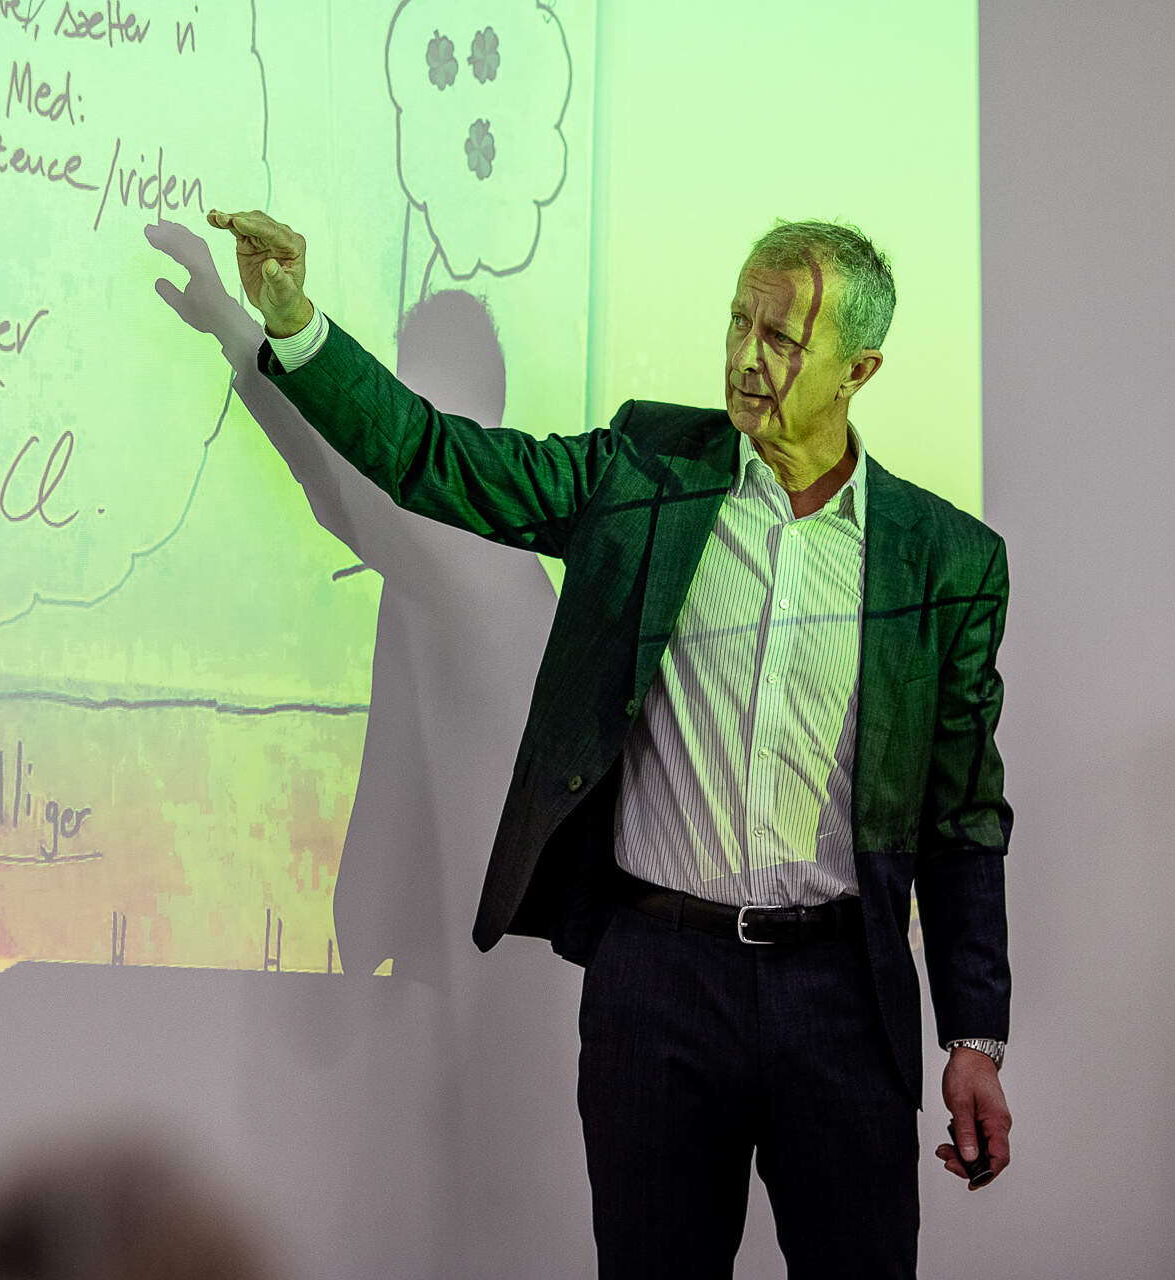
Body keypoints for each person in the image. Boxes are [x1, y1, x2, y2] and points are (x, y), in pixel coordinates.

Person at [204, 207, 1014, 1278]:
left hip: (841, 999)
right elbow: (441, 461)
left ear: (858, 369)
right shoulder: (645, 470)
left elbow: (963, 819)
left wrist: (975, 1036)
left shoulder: (946, 560)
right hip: (658, 985)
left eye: (781, 338)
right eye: (738, 321)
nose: (745, 356)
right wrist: (295, 327)